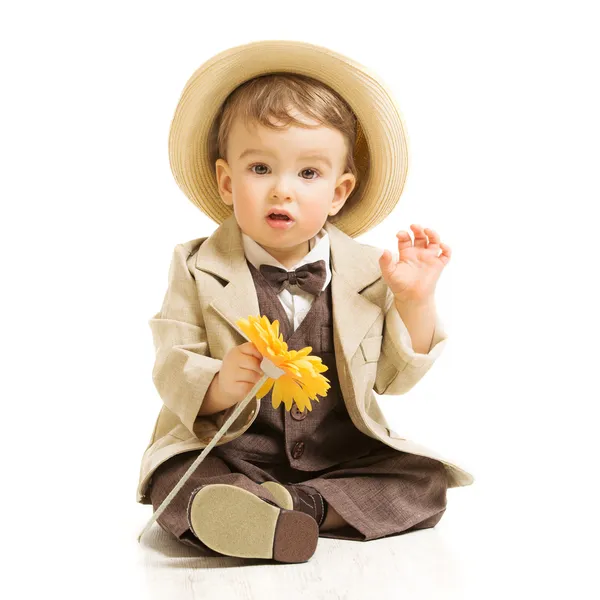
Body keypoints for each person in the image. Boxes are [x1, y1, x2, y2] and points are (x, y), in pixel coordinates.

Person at [137, 40, 475, 564]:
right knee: (178, 478)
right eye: (260, 169)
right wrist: (220, 383)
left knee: (425, 482)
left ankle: (298, 511)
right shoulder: (196, 265)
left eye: (308, 174)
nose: (282, 191)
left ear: (340, 192)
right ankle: (243, 509)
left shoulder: (367, 271)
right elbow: (171, 360)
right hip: (233, 454)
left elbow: (393, 379)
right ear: (227, 181)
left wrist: (414, 300)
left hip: (338, 457)